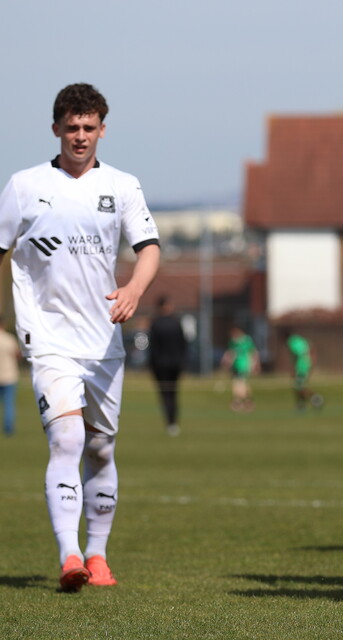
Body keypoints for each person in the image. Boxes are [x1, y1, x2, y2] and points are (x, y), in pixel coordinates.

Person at [0, 83, 160, 591]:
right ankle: (69, 555)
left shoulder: (123, 186)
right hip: (47, 339)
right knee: (66, 439)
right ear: (56, 129)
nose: (80, 136)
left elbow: (149, 247)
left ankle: (98, 554)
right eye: (72, 127)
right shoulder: (24, 186)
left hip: (103, 344)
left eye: (89, 127)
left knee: (101, 451)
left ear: (102, 130)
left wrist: (134, 287)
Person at [148, 295, 187, 436]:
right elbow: (184, 344)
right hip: (175, 364)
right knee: (173, 393)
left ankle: (170, 423)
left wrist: (152, 365)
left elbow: (152, 348)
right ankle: (173, 423)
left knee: (165, 394)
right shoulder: (176, 323)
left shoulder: (156, 323)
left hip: (161, 366)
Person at [220, 325, 259, 412]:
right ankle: (247, 401)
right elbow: (231, 353)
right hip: (236, 365)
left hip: (244, 365)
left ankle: (238, 401)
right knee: (240, 383)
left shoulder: (246, 341)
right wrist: (227, 362)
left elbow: (253, 352)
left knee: (239, 383)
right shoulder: (233, 342)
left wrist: (255, 364)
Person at [285, 330, 323, 411]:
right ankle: (302, 404)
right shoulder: (300, 339)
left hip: (301, 366)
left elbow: (295, 355)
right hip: (307, 365)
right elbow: (311, 346)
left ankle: (315, 398)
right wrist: (313, 360)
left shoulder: (290, 342)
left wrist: (293, 369)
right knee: (299, 386)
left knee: (298, 386)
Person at [0, 320, 19, 436]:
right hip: (9, 376)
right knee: (8, 404)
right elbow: (17, 354)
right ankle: (8, 429)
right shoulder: (9, 339)